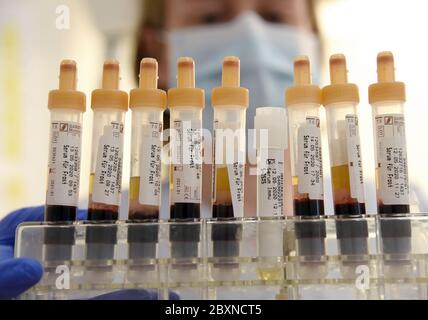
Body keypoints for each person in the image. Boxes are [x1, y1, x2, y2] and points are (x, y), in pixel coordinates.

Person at [0, 0, 320, 299]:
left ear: (313, 40)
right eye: (210, 17)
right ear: (156, 48)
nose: (251, 37)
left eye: (274, 16)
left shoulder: (368, 222)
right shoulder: (86, 230)